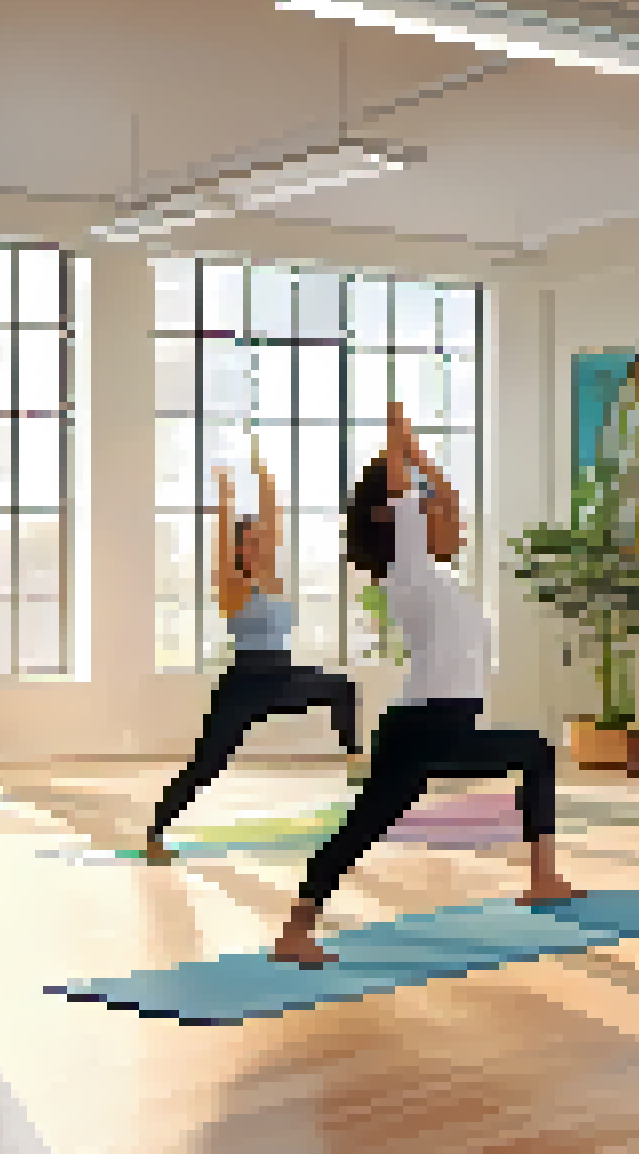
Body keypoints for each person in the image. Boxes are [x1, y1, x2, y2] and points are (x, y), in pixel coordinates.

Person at [269, 402, 583, 967]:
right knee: (535, 752)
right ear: (398, 519)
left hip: (426, 725)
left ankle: (297, 928)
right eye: (428, 509)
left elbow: (453, 504)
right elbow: (408, 492)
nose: (453, 519)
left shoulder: (432, 578)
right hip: (431, 724)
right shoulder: (405, 567)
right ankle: (542, 877)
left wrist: (424, 465)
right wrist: (401, 437)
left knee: (365, 824)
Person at [142, 452, 359, 865]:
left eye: (263, 538)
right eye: (252, 540)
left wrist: (263, 473)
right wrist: (226, 495)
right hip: (245, 682)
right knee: (206, 766)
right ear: (241, 547)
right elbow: (224, 537)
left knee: (341, 687)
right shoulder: (232, 582)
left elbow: (275, 521)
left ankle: (352, 757)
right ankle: (156, 832)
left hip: (283, 674)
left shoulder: (274, 575)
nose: (262, 543)